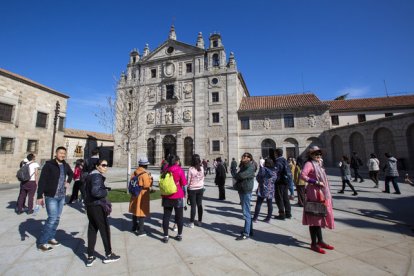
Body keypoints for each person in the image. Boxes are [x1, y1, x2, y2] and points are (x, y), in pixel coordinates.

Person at [36, 147, 73, 252]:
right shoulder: (49, 165)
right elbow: (42, 181)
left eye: (64, 153)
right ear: (56, 153)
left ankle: (51, 237)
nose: (62, 155)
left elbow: (71, 173)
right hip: (51, 196)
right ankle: (42, 243)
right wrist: (39, 196)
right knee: (52, 218)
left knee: (56, 218)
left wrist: (68, 181)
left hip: (61, 196)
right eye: (60, 153)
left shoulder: (65, 165)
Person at [84, 159, 120, 266]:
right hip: (97, 206)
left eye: (106, 165)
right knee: (104, 229)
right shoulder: (96, 176)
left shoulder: (90, 175)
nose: (105, 167)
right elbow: (96, 192)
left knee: (92, 229)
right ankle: (108, 254)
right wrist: (105, 190)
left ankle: (90, 256)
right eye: (103, 165)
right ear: (97, 166)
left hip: (90, 206)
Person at [300, 146, 335, 254]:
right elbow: (302, 175)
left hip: (322, 193)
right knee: (314, 218)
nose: (318, 156)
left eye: (319, 154)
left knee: (319, 218)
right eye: (316, 154)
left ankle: (320, 241)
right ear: (310, 155)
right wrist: (315, 182)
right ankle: (313, 243)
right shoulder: (309, 164)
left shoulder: (318, 164)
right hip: (314, 193)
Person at [161, 155, 187, 243]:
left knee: (166, 217)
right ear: (176, 161)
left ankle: (165, 236)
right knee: (179, 217)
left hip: (167, 196)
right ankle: (179, 235)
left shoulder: (165, 170)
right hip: (178, 196)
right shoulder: (180, 170)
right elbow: (184, 183)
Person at [234, 152, 255, 240]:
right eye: (244, 156)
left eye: (247, 156)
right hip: (242, 189)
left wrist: (237, 175)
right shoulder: (243, 166)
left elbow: (241, 175)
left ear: (250, 158)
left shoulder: (250, 166)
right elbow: (237, 175)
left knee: (246, 212)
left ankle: (246, 233)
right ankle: (250, 230)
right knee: (246, 211)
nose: (244, 157)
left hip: (246, 190)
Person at [129, 158, 153, 236]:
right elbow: (147, 185)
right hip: (142, 194)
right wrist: (151, 179)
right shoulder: (145, 174)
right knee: (142, 211)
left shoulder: (135, 172)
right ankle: (141, 230)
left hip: (134, 194)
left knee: (135, 210)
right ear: (145, 165)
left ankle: (134, 226)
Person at [253, 158, 276, 223]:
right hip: (270, 189)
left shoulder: (263, 170)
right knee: (270, 204)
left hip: (262, 189)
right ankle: (268, 218)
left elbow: (258, 178)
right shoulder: (274, 171)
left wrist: (262, 181)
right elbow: (274, 180)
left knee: (259, 203)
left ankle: (255, 218)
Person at [186, 154, 205, 228]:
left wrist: (187, 188)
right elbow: (203, 178)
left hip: (192, 189)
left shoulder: (191, 169)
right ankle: (200, 221)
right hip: (200, 188)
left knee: (193, 206)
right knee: (199, 205)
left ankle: (191, 222)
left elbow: (188, 180)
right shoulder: (202, 168)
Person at [272, 148, 292, 220]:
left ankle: (281, 214)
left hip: (279, 182)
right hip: (286, 181)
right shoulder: (285, 160)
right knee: (285, 197)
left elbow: (275, 172)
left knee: (279, 198)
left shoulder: (278, 161)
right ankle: (288, 213)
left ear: (276, 153)